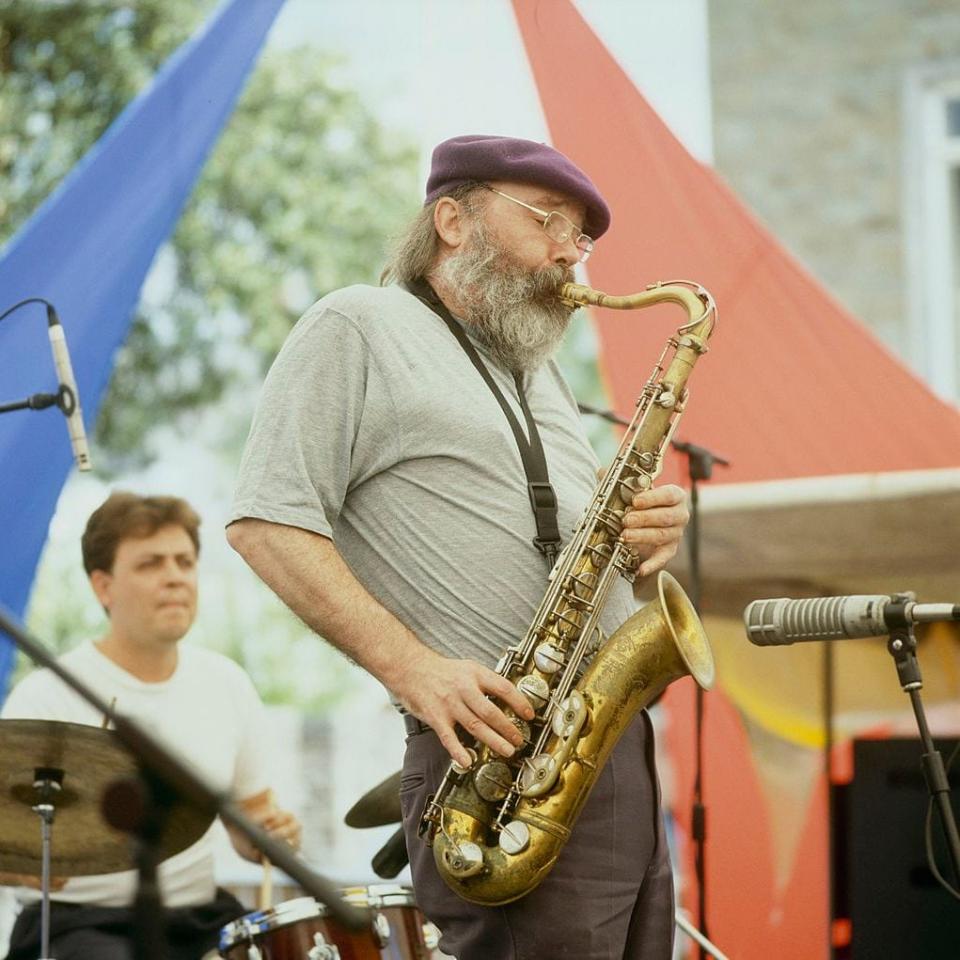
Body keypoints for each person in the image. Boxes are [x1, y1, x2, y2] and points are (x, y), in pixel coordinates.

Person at [227, 134, 690, 960]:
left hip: (610, 763)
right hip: (501, 774)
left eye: (580, 238)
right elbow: (266, 521)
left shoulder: (537, 370)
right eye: (547, 221)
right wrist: (413, 668)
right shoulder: (357, 325)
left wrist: (638, 543)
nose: (568, 254)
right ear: (451, 219)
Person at [0, 492, 301, 960]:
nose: (175, 577)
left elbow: (252, 818)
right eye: (150, 564)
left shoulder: (227, 683)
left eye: (185, 561)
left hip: (196, 918)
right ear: (103, 587)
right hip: (76, 924)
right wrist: (29, 865)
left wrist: (270, 835)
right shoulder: (46, 695)